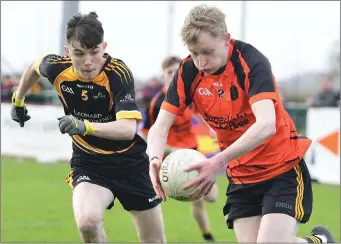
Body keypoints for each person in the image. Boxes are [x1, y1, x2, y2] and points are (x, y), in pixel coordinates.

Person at [147, 4, 336, 243]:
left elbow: (266, 124)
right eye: (194, 53)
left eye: (207, 51)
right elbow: (160, 126)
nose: (201, 61)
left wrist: (216, 161)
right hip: (241, 175)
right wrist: (154, 158)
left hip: (281, 168)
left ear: (226, 38)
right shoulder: (187, 72)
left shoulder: (251, 62)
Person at [10, 11, 166, 243]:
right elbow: (34, 67)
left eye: (94, 52)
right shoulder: (57, 68)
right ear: (67, 52)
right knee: (87, 222)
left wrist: (85, 127)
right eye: (79, 54)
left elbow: (127, 130)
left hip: (130, 164)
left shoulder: (118, 74)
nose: (88, 61)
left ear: (104, 47)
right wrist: (18, 100)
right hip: (90, 164)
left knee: (153, 240)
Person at [140, 55, 218, 242]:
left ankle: (205, 232)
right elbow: (146, 133)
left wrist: (210, 129)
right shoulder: (157, 103)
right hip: (173, 156)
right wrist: (163, 151)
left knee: (212, 197)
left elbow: (198, 112)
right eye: (169, 72)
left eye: (177, 71)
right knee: (197, 197)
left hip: (193, 150)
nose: (174, 75)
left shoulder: (189, 94)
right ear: (163, 75)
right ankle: (208, 237)